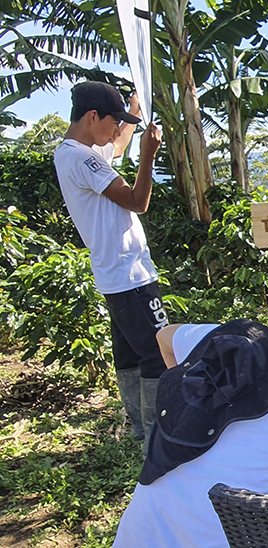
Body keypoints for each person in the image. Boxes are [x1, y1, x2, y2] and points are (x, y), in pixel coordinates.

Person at [112, 265, 268, 548]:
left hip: (142, 530)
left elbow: (164, 337)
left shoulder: (219, 338)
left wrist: (189, 389)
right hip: (232, 537)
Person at [54, 81, 165, 445]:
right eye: (113, 120)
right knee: (158, 352)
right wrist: (148, 155)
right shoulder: (83, 159)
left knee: (130, 353)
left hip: (113, 273)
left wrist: (132, 112)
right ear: (92, 116)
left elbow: (115, 146)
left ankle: (138, 428)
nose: (118, 129)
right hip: (130, 273)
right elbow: (137, 202)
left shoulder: (73, 152)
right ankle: (157, 437)